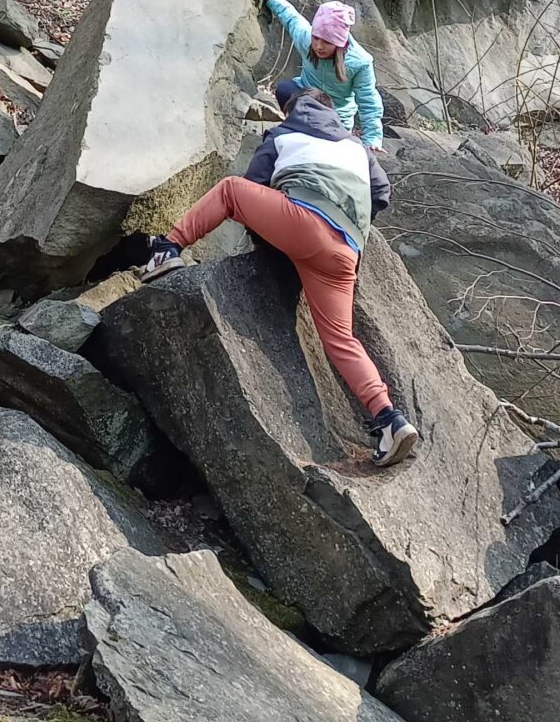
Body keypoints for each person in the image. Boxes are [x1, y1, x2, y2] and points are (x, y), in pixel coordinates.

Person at [141, 79, 420, 466]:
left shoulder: (283, 134)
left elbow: (252, 185)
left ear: (291, 109)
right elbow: (381, 192)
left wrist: (276, 232)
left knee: (229, 190)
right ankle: (389, 419)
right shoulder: (356, 145)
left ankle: (167, 249)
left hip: (302, 224)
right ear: (331, 109)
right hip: (346, 251)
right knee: (341, 340)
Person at [257, 0, 384, 156]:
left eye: (326, 41)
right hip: (306, 99)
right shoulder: (306, 39)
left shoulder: (359, 62)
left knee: (322, 146)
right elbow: (292, 18)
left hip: (335, 116)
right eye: (316, 38)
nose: (318, 46)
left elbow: (368, 101)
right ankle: (299, 129)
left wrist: (373, 138)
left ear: (339, 42)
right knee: (285, 89)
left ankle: (308, 132)